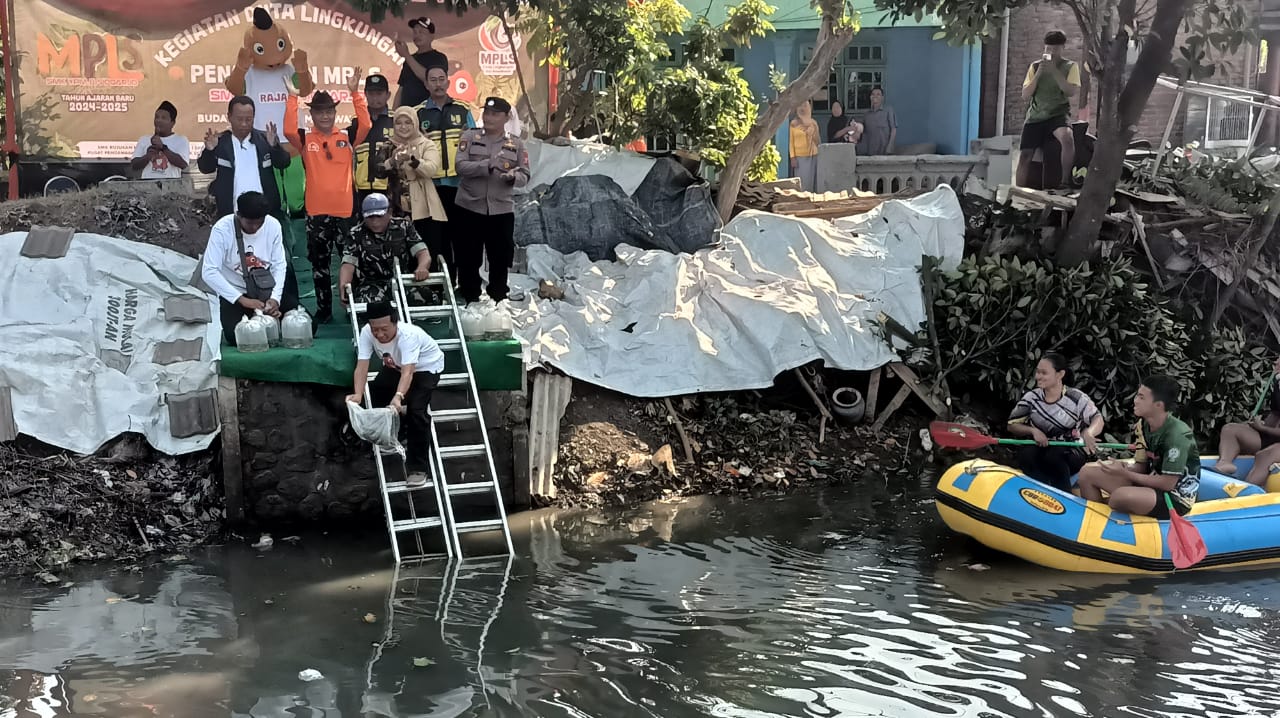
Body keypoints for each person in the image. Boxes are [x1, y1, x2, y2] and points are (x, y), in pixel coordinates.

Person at [284, 68, 370, 325]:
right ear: (312, 114)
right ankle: (324, 310)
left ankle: (354, 308)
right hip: (317, 214)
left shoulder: (346, 136)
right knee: (319, 266)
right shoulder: (305, 138)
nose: (325, 115)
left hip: (346, 213)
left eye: (329, 111)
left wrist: (356, 93)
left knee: (351, 263)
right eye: (320, 112)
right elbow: (289, 130)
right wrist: (292, 98)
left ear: (334, 113)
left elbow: (366, 123)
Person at [345, 301, 444, 487]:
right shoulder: (367, 332)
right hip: (395, 367)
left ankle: (418, 468)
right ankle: (391, 432)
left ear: (395, 323)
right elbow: (362, 366)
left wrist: (398, 396)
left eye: (384, 329)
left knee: (417, 410)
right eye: (375, 330)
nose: (380, 334)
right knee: (373, 393)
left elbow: (409, 372)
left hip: (425, 368)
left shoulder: (408, 336)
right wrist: (358, 394)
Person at [1076, 375, 1200, 520]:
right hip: (1150, 482)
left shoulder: (1177, 435)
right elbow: (1141, 467)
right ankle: (1093, 524)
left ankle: (1108, 521)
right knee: (1086, 473)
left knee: (1119, 497)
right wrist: (1120, 468)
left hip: (1175, 497)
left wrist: (1125, 474)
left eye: (1141, 397)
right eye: (1137, 395)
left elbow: (1167, 483)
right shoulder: (1143, 425)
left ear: (1158, 405)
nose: (1135, 400)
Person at [454, 97, 529, 303]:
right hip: (470, 206)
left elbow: (525, 175)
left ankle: (498, 298)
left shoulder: (515, 143)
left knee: (500, 256)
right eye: (486, 113)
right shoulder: (470, 136)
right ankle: (470, 297)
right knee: (468, 256)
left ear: (506, 118)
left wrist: (513, 177)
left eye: (495, 114)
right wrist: (486, 165)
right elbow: (460, 167)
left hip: (501, 209)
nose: (489, 117)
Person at [200, 191, 300, 344]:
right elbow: (209, 271)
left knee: (305, 325)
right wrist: (242, 300)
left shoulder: (273, 225)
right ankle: (265, 323)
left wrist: (275, 299)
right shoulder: (222, 230)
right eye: (250, 223)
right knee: (235, 336)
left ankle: (271, 320)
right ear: (238, 215)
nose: (255, 228)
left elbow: (279, 265)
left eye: (259, 223)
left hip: (266, 289)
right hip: (237, 293)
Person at [1006, 352, 1105, 492]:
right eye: (1037, 372)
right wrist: (1033, 431)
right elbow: (1012, 425)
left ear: (1060, 374)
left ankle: (1064, 497)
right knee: (1026, 455)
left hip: (1070, 450)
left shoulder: (1076, 398)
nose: (1037, 377)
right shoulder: (1031, 398)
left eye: (1044, 373)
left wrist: (1089, 432)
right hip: (1041, 447)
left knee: (1054, 456)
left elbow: (1098, 419)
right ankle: (1036, 494)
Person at [417, 64, 476, 284]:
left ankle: (466, 285)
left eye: (442, 79)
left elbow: (475, 144)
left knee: (461, 238)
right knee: (436, 240)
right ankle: (442, 288)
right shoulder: (418, 112)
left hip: (459, 185)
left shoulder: (463, 109)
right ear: (426, 84)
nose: (438, 84)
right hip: (431, 186)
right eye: (433, 80)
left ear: (448, 82)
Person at [197, 96, 292, 218]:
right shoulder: (220, 142)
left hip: (264, 212)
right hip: (230, 212)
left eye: (248, 119)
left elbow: (283, 163)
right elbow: (205, 169)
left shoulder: (265, 139)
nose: (244, 124)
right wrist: (209, 150)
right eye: (239, 119)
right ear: (229, 117)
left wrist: (274, 147)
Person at [383, 106, 449, 273]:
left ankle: (430, 294)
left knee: (428, 249)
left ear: (416, 123)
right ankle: (402, 295)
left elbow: (431, 169)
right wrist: (392, 160)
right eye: (398, 123)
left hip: (424, 208)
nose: (403, 127)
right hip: (396, 207)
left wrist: (412, 160)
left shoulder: (427, 144)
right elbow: (378, 171)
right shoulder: (388, 145)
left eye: (408, 122)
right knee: (399, 252)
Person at [339, 193, 433, 306]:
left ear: (389, 213)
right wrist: (344, 285)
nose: (375, 221)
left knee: (428, 299)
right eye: (370, 217)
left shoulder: (404, 226)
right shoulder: (355, 234)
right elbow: (348, 264)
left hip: (402, 280)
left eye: (379, 216)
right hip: (371, 283)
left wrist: (422, 267)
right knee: (372, 306)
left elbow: (422, 252)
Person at [1018, 30, 1080, 189]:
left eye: (1055, 49)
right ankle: (1018, 191)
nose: (1051, 52)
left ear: (1062, 48)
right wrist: (1039, 74)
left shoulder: (1070, 66)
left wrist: (1054, 71)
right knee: (1025, 155)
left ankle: (1065, 181)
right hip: (1036, 116)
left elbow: (1070, 91)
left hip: (1057, 114)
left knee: (1067, 138)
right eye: (1048, 49)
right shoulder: (1035, 66)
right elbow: (1025, 95)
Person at [1213, 357, 1280, 481]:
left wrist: (1263, 428)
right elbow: (1275, 414)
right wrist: (1256, 427)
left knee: (1264, 456)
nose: (1276, 362)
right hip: (1273, 438)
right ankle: (1224, 463)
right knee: (1230, 430)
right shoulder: (1278, 384)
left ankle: (1245, 494)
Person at [350, 74, 395, 209]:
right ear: (365, 95)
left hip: (389, 187)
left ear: (388, 95)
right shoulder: (356, 121)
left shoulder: (396, 121)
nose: (375, 98)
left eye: (379, 93)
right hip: (361, 188)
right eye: (371, 93)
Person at [394, 17, 449, 108]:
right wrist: (394, 113)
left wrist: (406, 55)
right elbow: (401, 89)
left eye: (421, 32)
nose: (417, 35)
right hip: (407, 114)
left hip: (428, 112)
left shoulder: (439, 58)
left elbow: (428, 78)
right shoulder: (409, 60)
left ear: (432, 36)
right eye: (415, 32)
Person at [131, 101, 189, 179]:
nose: (159, 120)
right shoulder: (144, 139)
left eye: (163, 118)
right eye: (157, 117)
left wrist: (163, 148)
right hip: (147, 188)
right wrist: (148, 156)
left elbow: (183, 165)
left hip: (171, 187)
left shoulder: (181, 140)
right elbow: (134, 166)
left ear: (172, 123)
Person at [789, 100, 820, 191]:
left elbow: (818, 142)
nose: (803, 108)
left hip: (812, 155)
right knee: (801, 182)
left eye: (805, 106)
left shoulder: (813, 123)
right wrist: (792, 157)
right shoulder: (793, 124)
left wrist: (812, 133)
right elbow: (791, 141)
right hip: (799, 157)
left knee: (811, 181)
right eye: (800, 106)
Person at [857, 87, 897, 156]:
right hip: (871, 151)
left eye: (878, 94)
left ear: (882, 97)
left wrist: (890, 147)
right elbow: (861, 130)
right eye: (873, 94)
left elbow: (893, 129)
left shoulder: (888, 110)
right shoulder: (867, 114)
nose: (875, 96)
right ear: (870, 97)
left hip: (885, 150)